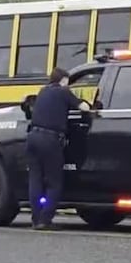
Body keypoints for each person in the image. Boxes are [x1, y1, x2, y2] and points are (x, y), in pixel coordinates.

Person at [25, 67, 90, 230]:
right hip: (50, 140)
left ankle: (35, 218)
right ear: (63, 80)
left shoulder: (42, 91)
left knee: (35, 180)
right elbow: (84, 108)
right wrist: (88, 103)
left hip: (32, 137)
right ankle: (45, 220)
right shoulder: (63, 92)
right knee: (54, 182)